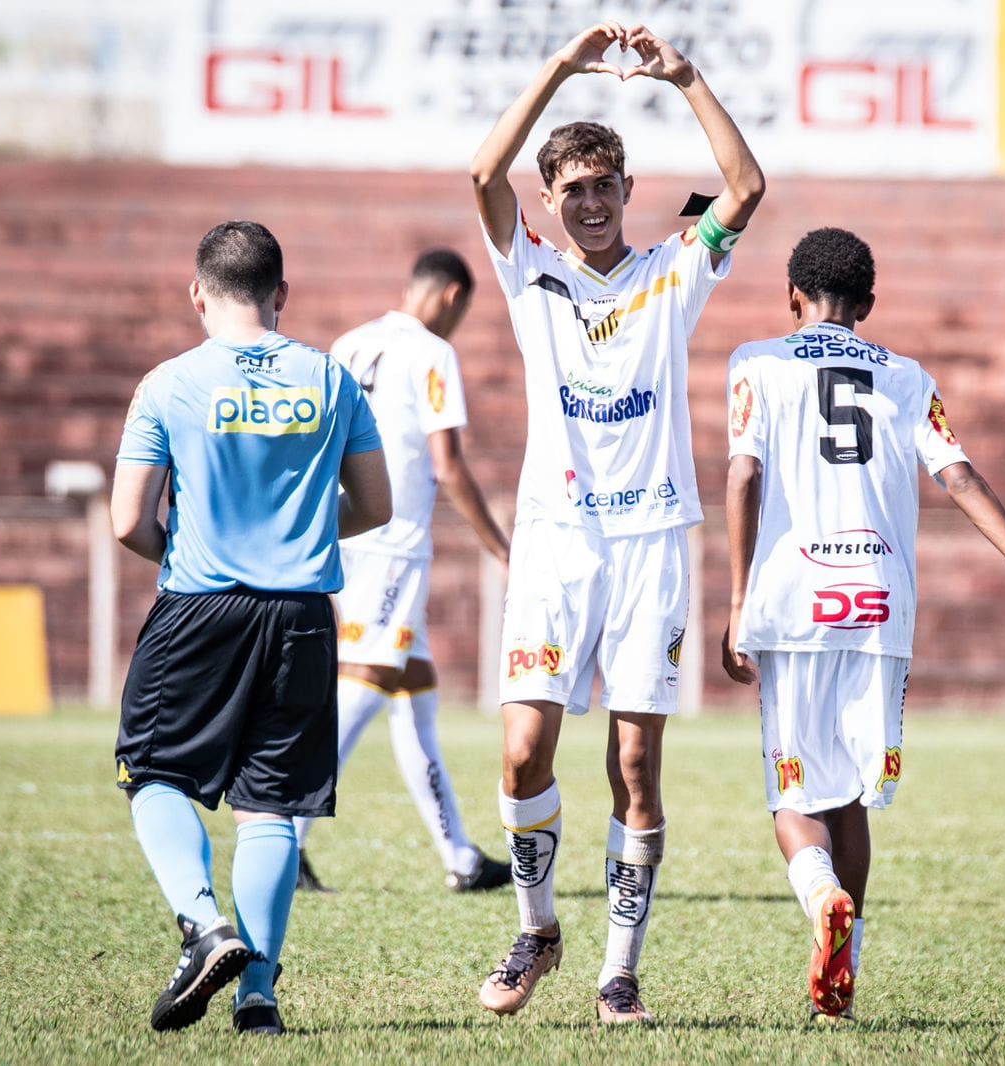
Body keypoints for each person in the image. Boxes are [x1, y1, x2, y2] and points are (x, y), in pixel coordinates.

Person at [721, 228, 1005, 1021]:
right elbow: (959, 475)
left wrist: (735, 600)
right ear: (866, 304)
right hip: (880, 602)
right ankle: (845, 970)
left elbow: (744, 473)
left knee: (796, 794)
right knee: (853, 794)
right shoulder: (906, 376)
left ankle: (822, 898)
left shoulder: (756, 362)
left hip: (795, 600)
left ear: (792, 296)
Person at [468, 20, 764, 1024]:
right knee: (522, 752)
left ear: (627, 190)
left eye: (604, 186)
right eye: (572, 190)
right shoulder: (529, 272)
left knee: (636, 765)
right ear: (549, 201)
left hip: (651, 544)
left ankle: (618, 971)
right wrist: (561, 66)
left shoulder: (673, 271)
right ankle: (538, 930)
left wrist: (684, 77)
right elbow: (482, 174)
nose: (590, 203)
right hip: (556, 538)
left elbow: (745, 187)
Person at [109, 220, 391, 1036]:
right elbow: (376, 505)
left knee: (155, 774)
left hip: (201, 608)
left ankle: (204, 927)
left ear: (198, 294)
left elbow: (128, 521)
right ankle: (258, 996)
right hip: (301, 616)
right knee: (269, 807)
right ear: (282, 293)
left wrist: (187, 550)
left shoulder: (168, 384)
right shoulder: (332, 379)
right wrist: (295, 536)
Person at [292, 248, 513, 895]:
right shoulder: (432, 353)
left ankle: (461, 858)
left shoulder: (349, 344)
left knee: (416, 696)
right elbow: (447, 464)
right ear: (452, 296)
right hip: (393, 542)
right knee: (365, 681)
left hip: (346, 528)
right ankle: (285, 836)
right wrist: (501, 549)